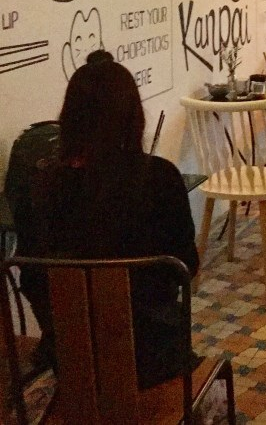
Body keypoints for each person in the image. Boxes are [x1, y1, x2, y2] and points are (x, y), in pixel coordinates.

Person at [15, 50, 200, 387]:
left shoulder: (41, 187)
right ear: (133, 115)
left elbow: (31, 278)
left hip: (70, 363)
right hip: (154, 363)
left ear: (69, 117)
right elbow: (186, 266)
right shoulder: (160, 178)